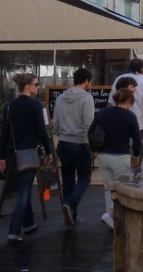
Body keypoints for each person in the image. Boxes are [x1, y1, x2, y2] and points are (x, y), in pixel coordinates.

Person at [0, 73, 53, 244]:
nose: (38, 87)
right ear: (27, 86)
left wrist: (1, 157)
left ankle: (29, 224)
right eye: (36, 84)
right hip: (29, 152)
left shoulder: (9, 106)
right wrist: (49, 151)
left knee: (23, 188)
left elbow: (4, 133)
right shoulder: (35, 106)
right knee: (25, 191)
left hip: (13, 153)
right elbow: (42, 131)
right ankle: (14, 231)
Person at [89, 79, 142, 230]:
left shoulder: (103, 113)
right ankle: (118, 219)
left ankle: (110, 216)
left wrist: (94, 149)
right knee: (122, 188)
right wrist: (136, 156)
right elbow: (137, 140)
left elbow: (91, 131)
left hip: (103, 155)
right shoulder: (129, 116)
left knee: (108, 188)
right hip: (121, 156)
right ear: (129, 101)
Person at [53, 67, 95, 227]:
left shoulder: (61, 98)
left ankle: (71, 214)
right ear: (86, 81)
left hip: (63, 143)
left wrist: (60, 134)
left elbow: (55, 123)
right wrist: (91, 146)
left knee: (68, 178)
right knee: (85, 177)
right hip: (80, 143)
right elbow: (88, 125)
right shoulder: (87, 98)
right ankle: (70, 204)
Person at [108, 59, 143, 140]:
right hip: (138, 125)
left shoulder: (119, 79)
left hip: (117, 125)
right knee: (137, 151)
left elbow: (110, 103)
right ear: (142, 69)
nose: (134, 90)